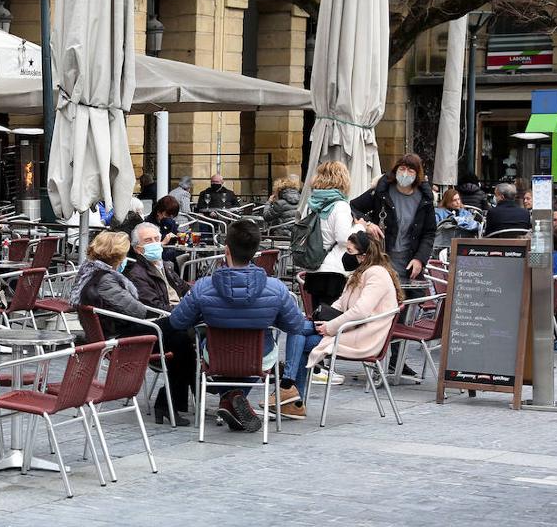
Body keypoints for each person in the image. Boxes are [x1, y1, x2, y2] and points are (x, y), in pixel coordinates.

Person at [169, 220, 306, 433]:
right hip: (259, 358)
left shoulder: (203, 287)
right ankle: (235, 396)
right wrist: (272, 317)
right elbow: (296, 325)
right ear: (255, 252)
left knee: (204, 343)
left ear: (226, 250)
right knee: (263, 347)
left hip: (215, 357)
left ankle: (230, 397)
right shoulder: (276, 288)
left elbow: (177, 321)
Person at [71, 231, 198, 425]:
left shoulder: (91, 273)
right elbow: (137, 310)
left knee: (180, 338)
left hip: (118, 331)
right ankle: (182, 397)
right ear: (116, 256)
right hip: (120, 338)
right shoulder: (105, 279)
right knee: (181, 334)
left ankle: (171, 402)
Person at [282, 231, 403, 418]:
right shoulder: (361, 272)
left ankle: (289, 393)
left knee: (299, 334)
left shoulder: (376, 274)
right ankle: (290, 396)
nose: (346, 255)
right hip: (351, 329)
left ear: (363, 255)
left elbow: (360, 311)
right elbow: (342, 303)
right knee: (297, 330)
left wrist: (330, 327)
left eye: (349, 251)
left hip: (364, 336)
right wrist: (325, 316)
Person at [351, 153, 436, 283]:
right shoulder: (381, 191)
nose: (405, 173)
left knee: (407, 299)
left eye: (410, 170)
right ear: (395, 170)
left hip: (409, 261)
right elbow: (353, 207)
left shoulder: (424, 199)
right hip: (379, 257)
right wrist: (367, 224)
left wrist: (420, 259)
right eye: (402, 169)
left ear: (417, 174)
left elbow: (429, 232)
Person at [302, 161, 360, 311]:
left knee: (318, 315)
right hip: (333, 270)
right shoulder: (340, 206)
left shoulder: (311, 203)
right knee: (330, 318)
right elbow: (343, 239)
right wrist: (360, 227)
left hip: (314, 267)